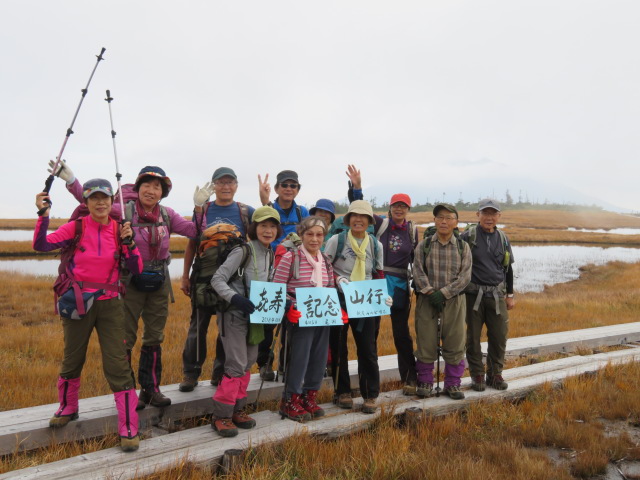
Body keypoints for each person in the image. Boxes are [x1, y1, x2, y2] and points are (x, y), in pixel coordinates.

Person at [49, 161, 200, 408]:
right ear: (138, 188)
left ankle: (151, 390)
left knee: (155, 336)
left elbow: (194, 231)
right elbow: (94, 203)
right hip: (129, 281)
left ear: (163, 192)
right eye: (147, 185)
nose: (151, 190)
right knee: (125, 338)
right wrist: (72, 181)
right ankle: (129, 392)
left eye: (157, 187)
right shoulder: (122, 209)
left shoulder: (168, 215)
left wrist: (199, 207)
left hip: (159, 281)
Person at [33, 179, 144, 452]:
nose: (100, 202)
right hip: (78, 302)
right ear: (86, 202)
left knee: (117, 363)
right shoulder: (76, 227)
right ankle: (67, 408)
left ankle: (128, 426)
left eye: (104, 197)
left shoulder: (120, 229)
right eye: (94, 198)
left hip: (110, 304)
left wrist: (129, 243)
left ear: (111, 200)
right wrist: (43, 216)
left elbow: (137, 268)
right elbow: (41, 245)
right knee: (73, 357)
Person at [179, 167, 255, 392]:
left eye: (230, 182)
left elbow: (261, 237)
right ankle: (191, 373)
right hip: (203, 278)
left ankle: (220, 373)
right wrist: (185, 276)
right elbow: (191, 244)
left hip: (232, 281)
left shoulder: (245, 212)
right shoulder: (203, 210)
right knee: (198, 327)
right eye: (220, 183)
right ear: (213, 186)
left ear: (236, 186)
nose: (225, 187)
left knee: (226, 329)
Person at [345, 166, 419, 395]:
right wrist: (357, 187)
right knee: (371, 335)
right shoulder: (380, 224)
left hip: (399, 286)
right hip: (375, 284)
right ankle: (369, 383)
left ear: (408, 209)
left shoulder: (412, 231)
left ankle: (410, 379)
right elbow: (360, 210)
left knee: (402, 335)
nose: (399, 209)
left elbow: (417, 261)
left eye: (403, 206)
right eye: (396, 205)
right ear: (390, 207)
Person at [209, 206, 281, 437]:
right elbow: (217, 279)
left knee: (248, 361)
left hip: (254, 317)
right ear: (254, 228)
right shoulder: (243, 251)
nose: (268, 231)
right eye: (263, 226)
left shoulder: (270, 253)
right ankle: (221, 415)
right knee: (236, 364)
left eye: (272, 226)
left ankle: (237, 410)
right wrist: (235, 298)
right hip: (234, 315)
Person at [324, 200, 391, 414]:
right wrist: (337, 280)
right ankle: (342, 392)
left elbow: (378, 272)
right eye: (354, 215)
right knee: (338, 347)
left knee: (368, 349)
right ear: (348, 219)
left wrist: (384, 295)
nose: (358, 220)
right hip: (340, 300)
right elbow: (325, 267)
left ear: (370, 221)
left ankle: (370, 394)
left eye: (363, 216)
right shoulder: (336, 240)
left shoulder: (375, 245)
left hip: (366, 302)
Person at [272, 216, 336, 422]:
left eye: (319, 235)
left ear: (324, 237)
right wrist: (289, 307)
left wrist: (337, 309)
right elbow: (277, 288)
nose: (314, 239)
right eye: (310, 234)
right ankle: (290, 400)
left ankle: (309, 397)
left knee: (319, 358)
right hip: (299, 317)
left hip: (322, 316)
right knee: (299, 358)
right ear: (301, 235)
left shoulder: (326, 260)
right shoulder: (290, 258)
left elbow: (330, 287)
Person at [412, 203, 472, 400]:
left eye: (448, 218)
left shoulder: (463, 247)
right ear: (435, 220)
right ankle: (425, 382)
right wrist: (431, 292)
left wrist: (444, 293)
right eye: (440, 217)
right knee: (425, 341)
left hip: (454, 301)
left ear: (456, 222)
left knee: (455, 342)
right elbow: (417, 271)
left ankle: (453, 384)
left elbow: (465, 277)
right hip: (427, 300)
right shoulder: (424, 245)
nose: (444, 221)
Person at [256, 170, 309, 380]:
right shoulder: (268, 208)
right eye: (284, 185)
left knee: (293, 321)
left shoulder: (302, 212)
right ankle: (265, 364)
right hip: (269, 272)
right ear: (277, 188)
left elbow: (309, 238)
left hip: (296, 275)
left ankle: (287, 365)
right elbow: (263, 234)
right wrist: (264, 202)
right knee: (268, 323)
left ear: (297, 190)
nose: (288, 189)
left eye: (293, 186)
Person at [461, 199, 515, 391]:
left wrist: (510, 295)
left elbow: (508, 269)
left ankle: (495, 374)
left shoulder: (503, 238)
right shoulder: (467, 236)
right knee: (472, 338)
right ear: (478, 215)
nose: (489, 217)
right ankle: (477, 375)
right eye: (485, 213)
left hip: (497, 296)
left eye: (493, 214)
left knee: (499, 337)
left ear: (498, 216)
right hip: (472, 295)